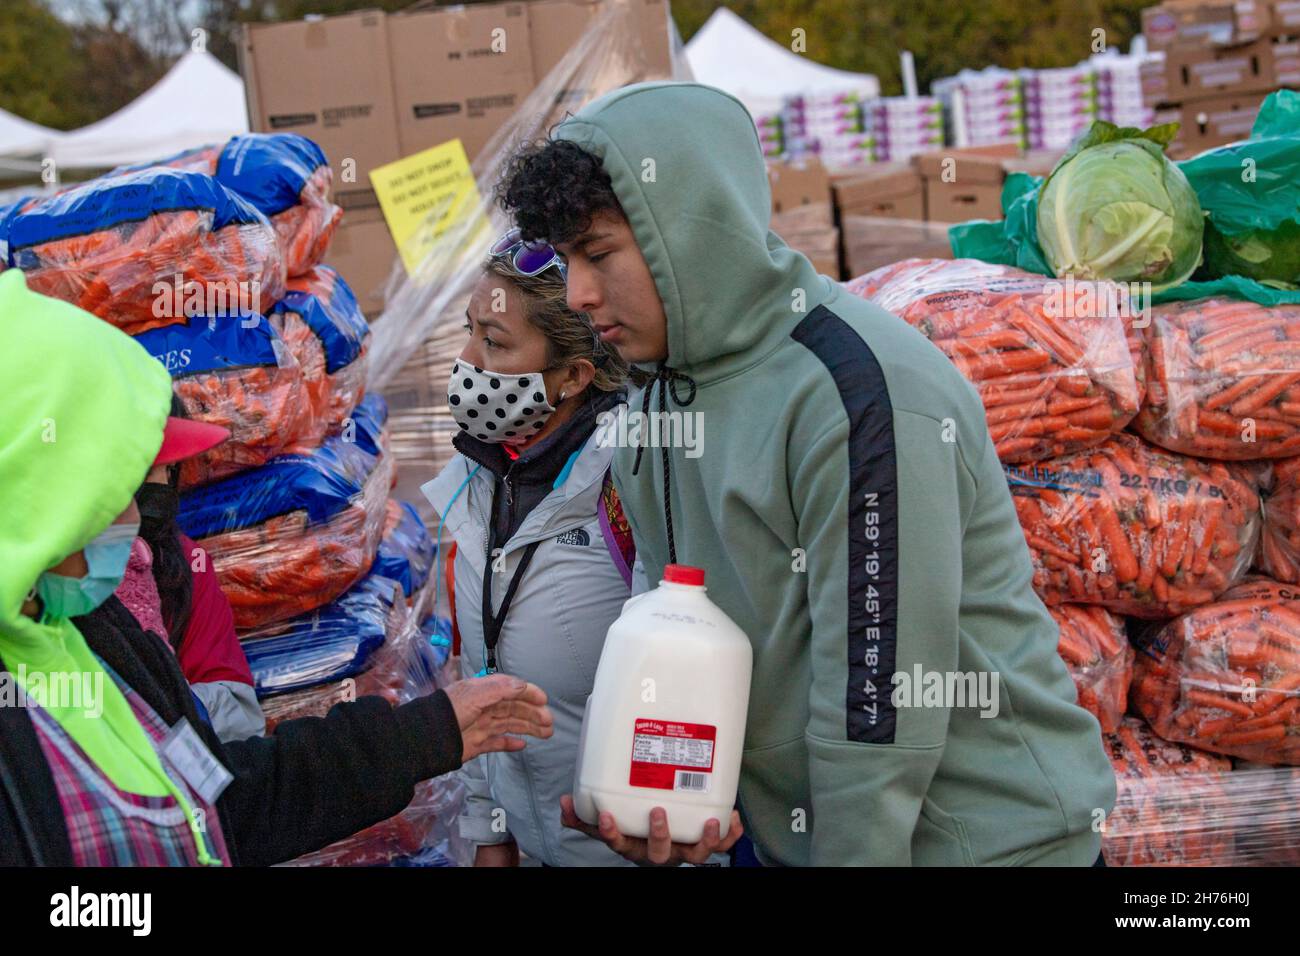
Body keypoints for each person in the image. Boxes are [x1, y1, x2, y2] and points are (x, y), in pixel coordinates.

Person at [497, 81, 1117, 867]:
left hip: (980, 845)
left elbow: (879, 702)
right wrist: (681, 804)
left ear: (686, 228)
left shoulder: (855, 393)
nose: (578, 295)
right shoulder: (656, 393)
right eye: (563, 261)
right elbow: (675, 625)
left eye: (600, 255)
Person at [0, 269, 553, 866]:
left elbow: (225, 799)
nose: (138, 515)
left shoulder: (90, 632)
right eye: (115, 485)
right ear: (36, 485)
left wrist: (427, 733)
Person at [422, 230, 640, 866]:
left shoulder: (635, 483)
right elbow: (479, 680)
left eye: (493, 342)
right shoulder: (477, 483)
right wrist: (491, 835)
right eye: (469, 331)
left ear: (574, 375)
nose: (466, 359)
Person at [122, 395, 267, 742]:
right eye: (148, 464)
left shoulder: (185, 564)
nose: (160, 482)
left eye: (171, 468)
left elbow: (240, 714)